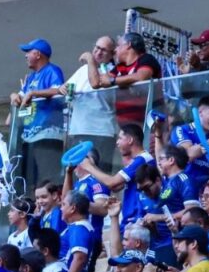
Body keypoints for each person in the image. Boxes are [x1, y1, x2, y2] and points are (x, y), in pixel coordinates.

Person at [11, 38, 65, 187]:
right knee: (29, 180)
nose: (25, 55)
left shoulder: (52, 70)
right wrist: (14, 96)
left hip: (47, 134)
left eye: (28, 51)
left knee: (47, 180)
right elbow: (20, 97)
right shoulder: (31, 77)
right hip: (29, 136)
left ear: (38, 54)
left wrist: (34, 93)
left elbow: (59, 90)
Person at [64, 36, 118, 173]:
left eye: (104, 51)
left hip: (102, 132)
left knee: (101, 173)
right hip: (78, 130)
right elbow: (65, 87)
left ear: (112, 54)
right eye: (97, 48)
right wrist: (60, 89)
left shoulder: (113, 71)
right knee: (77, 174)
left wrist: (89, 59)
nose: (98, 52)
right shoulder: (83, 70)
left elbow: (96, 83)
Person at [97, 32, 162, 125]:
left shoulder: (146, 59)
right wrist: (92, 60)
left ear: (128, 45)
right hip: (126, 123)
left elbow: (141, 77)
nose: (115, 50)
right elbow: (101, 81)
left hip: (149, 121)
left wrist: (113, 81)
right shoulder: (120, 67)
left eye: (118, 46)